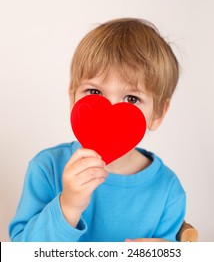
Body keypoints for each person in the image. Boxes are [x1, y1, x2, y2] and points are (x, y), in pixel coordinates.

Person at [9, 18, 186, 242]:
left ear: (159, 113)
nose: (110, 111)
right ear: (73, 97)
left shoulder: (168, 189)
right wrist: (68, 207)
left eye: (132, 98)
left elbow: (169, 248)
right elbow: (21, 252)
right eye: (94, 92)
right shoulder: (47, 168)